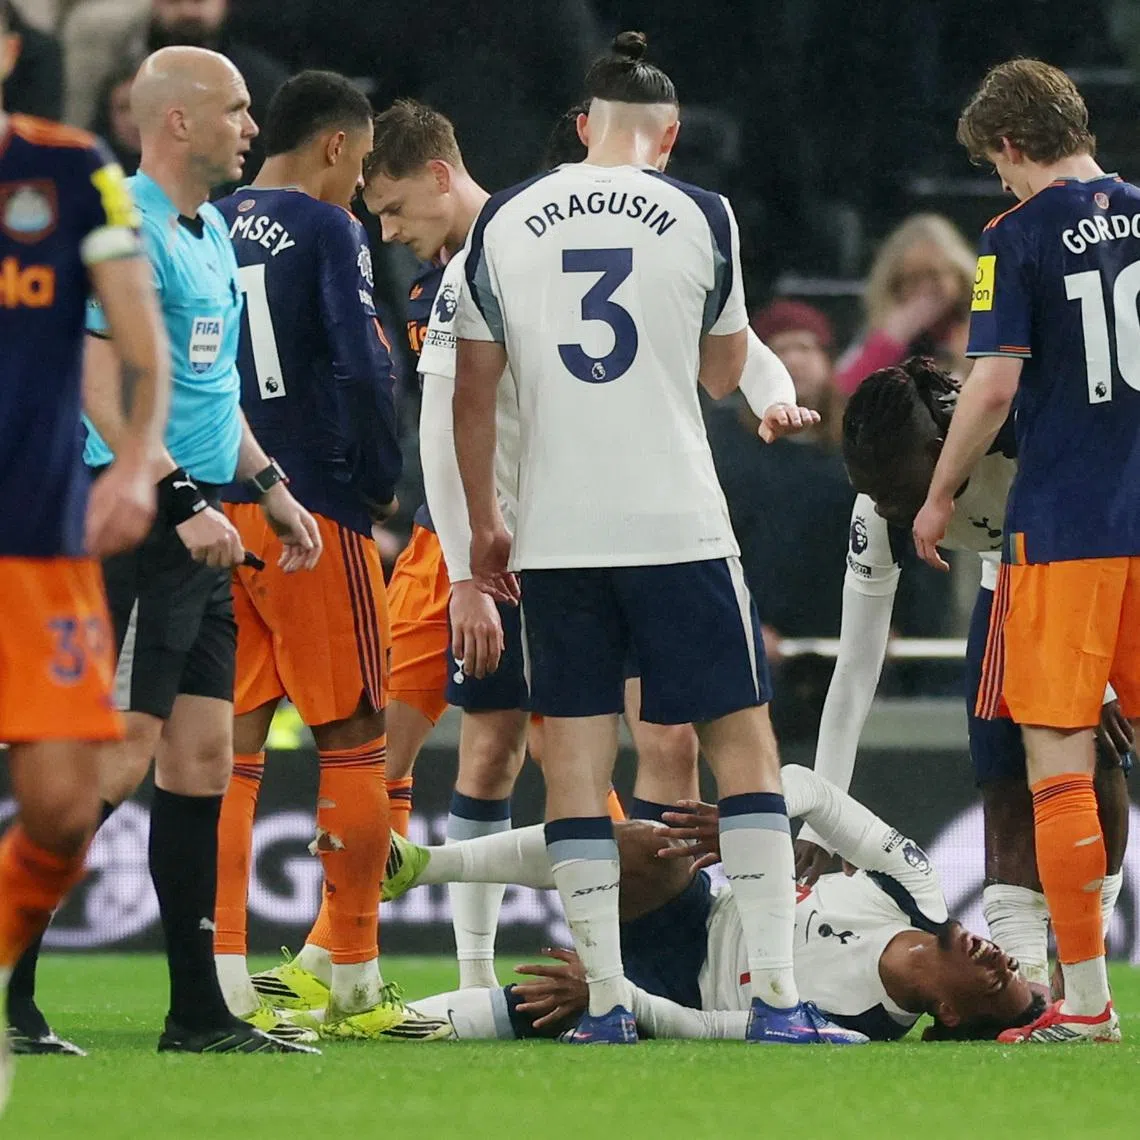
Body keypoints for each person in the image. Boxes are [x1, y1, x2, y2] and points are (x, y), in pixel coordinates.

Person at [452, 32, 857, 1045]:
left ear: (582, 129)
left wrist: (482, 525)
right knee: (744, 751)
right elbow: (726, 371)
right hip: (675, 521)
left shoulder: (504, 218)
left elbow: (472, 391)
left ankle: (603, 1003)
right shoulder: (701, 213)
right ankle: (775, 1000)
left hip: (554, 532)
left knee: (576, 768)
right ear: (668, 135)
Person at [9, 45, 323, 1057]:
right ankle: (10, 986)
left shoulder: (208, 234)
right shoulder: (128, 227)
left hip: (207, 528)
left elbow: (203, 398)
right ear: (177, 121)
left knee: (197, 761)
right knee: (121, 756)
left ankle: (196, 1013)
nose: (251, 128)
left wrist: (272, 488)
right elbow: (97, 383)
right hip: (139, 525)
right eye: (235, 110)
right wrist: (180, 496)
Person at [209, 70, 447, 1042]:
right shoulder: (326, 227)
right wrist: (380, 479)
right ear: (340, 147)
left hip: (220, 511)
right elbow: (364, 359)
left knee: (230, 754)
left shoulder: (206, 221)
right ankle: (354, 977)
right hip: (310, 510)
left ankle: (221, 968)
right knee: (356, 738)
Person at [913, 59, 1140, 1043]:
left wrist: (936, 493)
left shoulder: (1015, 236)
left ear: (1008, 147)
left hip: (1071, 528)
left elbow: (995, 386)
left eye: (995, 167)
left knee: (1057, 760)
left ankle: (1086, 1004)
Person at [797, 357, 1132, 995]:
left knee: (1097, 757)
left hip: (1100, 562)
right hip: (1007, 575)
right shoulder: (879, 513)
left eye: (899, 492)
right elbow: (857, 663)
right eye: (875, 495)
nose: (888, 508)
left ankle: (1082, 969)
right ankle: (1026, 978)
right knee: (1003, 774)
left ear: (941, 450)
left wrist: (1100, 680)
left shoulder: (1023, 435)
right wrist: (823, 809)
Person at [385, 765, 1043, 1044]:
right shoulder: (913, 889)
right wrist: (746, 822)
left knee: (545, 1003)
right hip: (702, 911)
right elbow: (808, 787)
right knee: (650, 846)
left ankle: (377, 1021)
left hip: (680, 993)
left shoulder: (857, 1027)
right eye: (1014, 966)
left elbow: (708, 1030)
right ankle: (418, 866)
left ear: (949, 1012)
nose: (1001, 959)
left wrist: (612, 993)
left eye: (996, 983)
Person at [0, 0, 168, 1087]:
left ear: (10, 52)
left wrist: (142, 459)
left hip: (38, 544)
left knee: (63, 808)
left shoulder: (71, 174)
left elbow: (137, 339)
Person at [63, 0, 288, 173]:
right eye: (174, 1)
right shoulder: (122, 75)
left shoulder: (260, 82)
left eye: (199, 1)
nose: (188, 12)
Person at [835, 214, 975, 396]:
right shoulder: (883, 331)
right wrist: (891, 340)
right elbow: (842, 393)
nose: (925, 289)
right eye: (913, 279)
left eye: (934, 276)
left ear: (960, 276)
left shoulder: (980, 323)